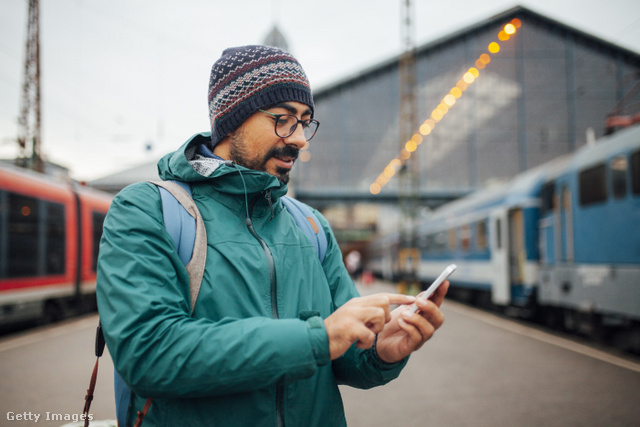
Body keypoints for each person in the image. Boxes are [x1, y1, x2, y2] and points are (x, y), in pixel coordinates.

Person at [96, 45, 448, 427]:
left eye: (305, 122)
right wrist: (317, 337)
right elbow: (149, 353)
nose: (300, 139)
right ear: (232, 120)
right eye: (283, 119)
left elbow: (345, 355)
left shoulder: (311, 227)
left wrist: (382, 351)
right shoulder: (148, 211)